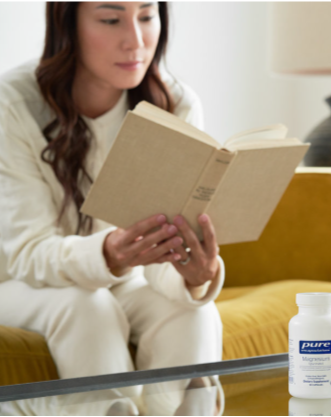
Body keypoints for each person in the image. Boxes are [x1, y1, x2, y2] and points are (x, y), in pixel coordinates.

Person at [0, 2, 224, 414]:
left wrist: (196, 276)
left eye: (146, 15)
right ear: (67, 25)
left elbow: (164, 250)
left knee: (194, 313)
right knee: (87, 306)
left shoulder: (174, 103)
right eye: (110, 19)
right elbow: (27, 253)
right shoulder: (12, 103)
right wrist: (107, 253)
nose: (136, 42)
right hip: (15, 283)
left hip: (121, 280)